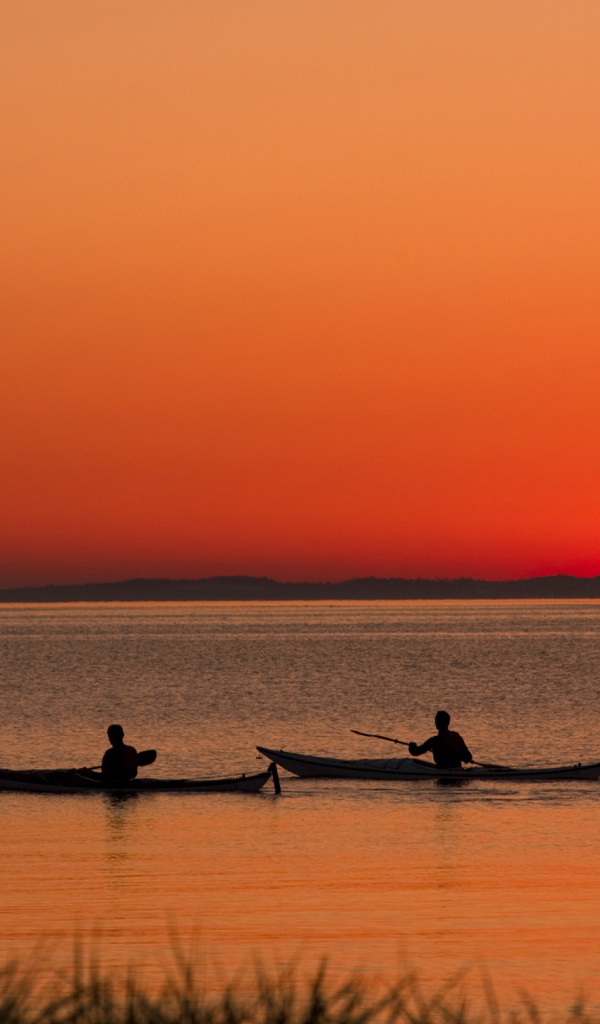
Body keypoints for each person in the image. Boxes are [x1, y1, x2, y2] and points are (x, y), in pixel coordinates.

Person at [408, 711, 473, 769]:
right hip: (457, 768)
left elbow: (415, 752)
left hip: (443, 769)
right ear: (448, 722)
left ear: (437, 723)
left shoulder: (435, 740)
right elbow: (468, 757)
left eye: (436, 720)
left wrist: (412, 746)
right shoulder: (456, 736)